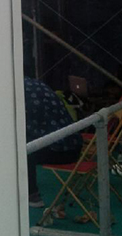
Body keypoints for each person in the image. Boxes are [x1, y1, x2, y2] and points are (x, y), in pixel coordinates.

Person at [24, 77, 82, 208]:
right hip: (76, 146)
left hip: (60, 151)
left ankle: (32, 195)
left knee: (25, 152)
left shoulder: (23, 96)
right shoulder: (38, 86)